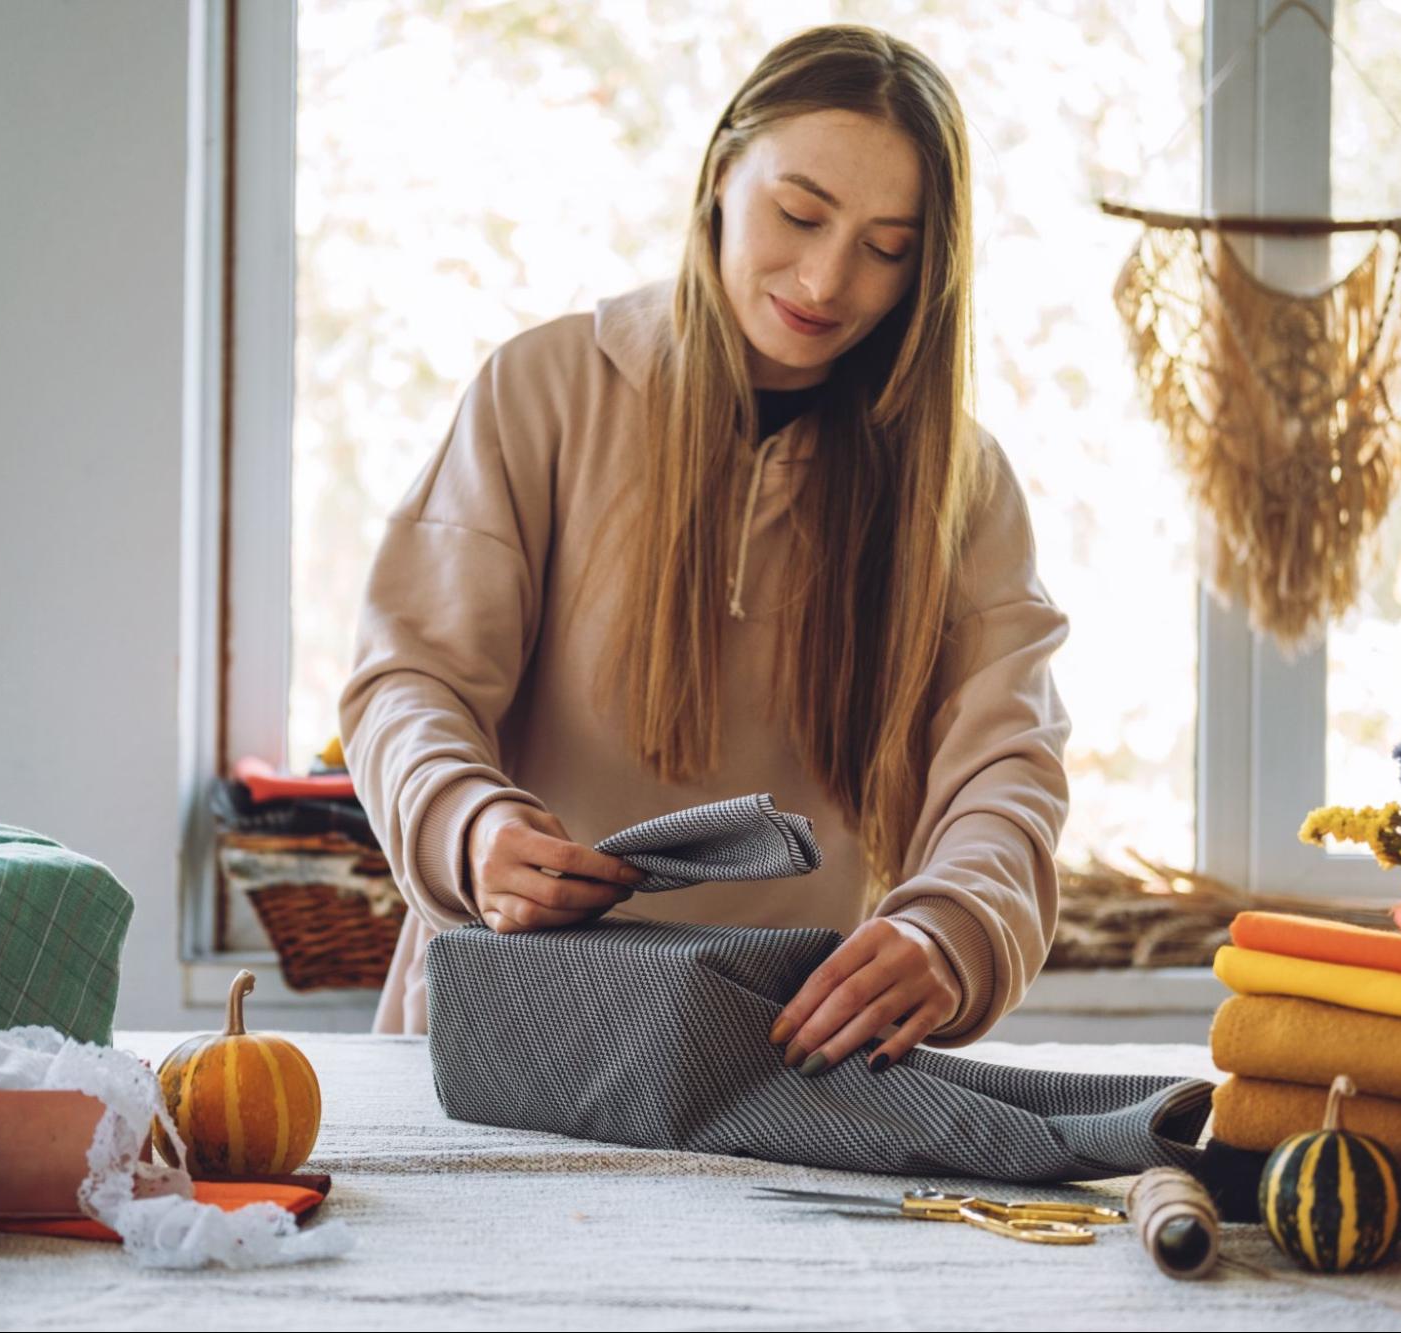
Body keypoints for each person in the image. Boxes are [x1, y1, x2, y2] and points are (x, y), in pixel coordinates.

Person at [337, 23, 1072, 1076]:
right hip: (504, 1039)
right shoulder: (539, 391)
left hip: (785, 1061)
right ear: (723, 172)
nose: (824, 280)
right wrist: (467, 824)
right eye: (799, 213)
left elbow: (1009, 763)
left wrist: (948, 927)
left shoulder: (964, 484)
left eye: (884, 248)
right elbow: (409, 679)